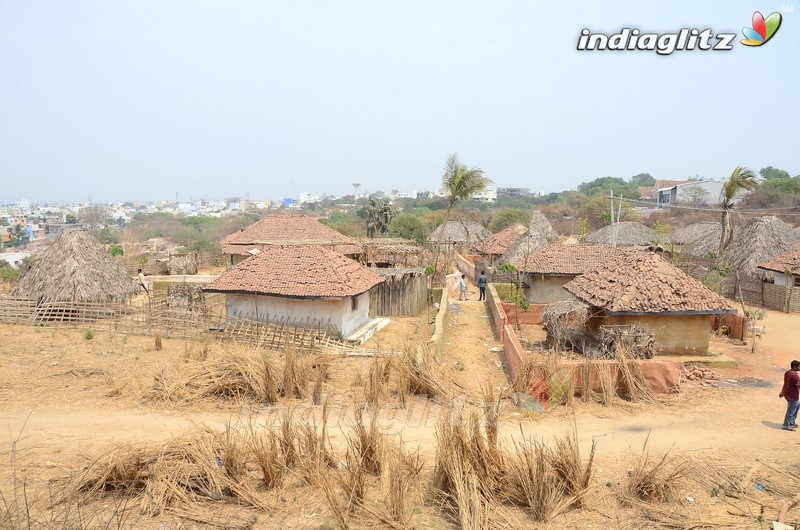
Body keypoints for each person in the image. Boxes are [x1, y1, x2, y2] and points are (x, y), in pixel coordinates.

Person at [779, 360, 800, 431]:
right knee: (791, 410)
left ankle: (791, 422)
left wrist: (782, 392)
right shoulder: (794, 375)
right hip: (793, 396)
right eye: (799, 367)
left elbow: (785, 383)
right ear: (795, 367)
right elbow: (799, 386)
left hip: (788, 394)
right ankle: (786, 425)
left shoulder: (787, 373)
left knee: (797, 406)